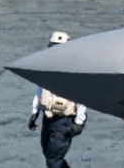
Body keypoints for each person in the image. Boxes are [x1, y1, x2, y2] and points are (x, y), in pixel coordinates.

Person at [28, 33, 86, 168]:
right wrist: (35, 112)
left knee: (54, 159)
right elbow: (40, 91)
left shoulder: (74, 72)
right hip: (48, 119)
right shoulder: (46, 69)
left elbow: (82, 97)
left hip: (64, 122)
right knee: (48, 152)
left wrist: (79, 122)